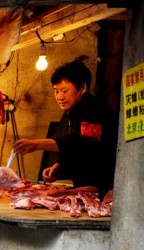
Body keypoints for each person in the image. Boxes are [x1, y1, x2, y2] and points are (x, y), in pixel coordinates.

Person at [12, 59, 117, 198]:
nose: (59, 97)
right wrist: (58, 166)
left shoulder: (96, 110)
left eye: (65, 91)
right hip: (81, 188)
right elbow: (68, 149)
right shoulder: (67, 115)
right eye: (56, 91)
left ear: (82, 88)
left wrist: (37, 144)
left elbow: (83, 144)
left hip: (102, 189)